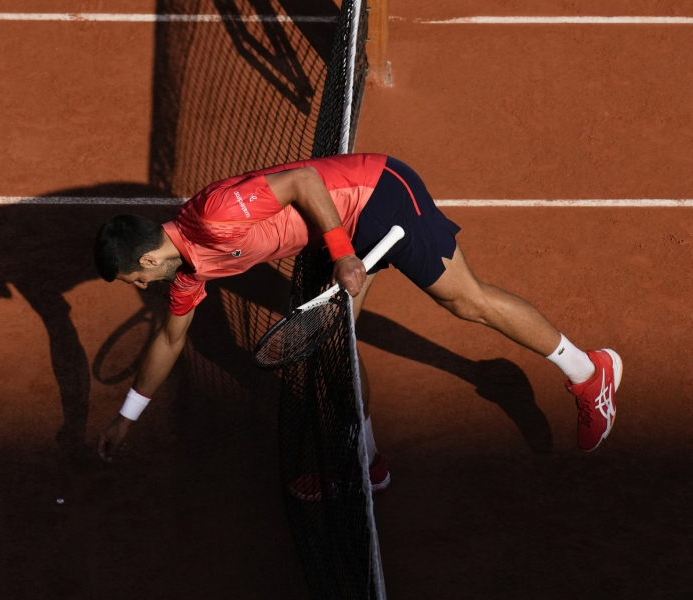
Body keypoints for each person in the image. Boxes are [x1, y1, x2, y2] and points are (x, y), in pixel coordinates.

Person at [93, 154, 622, 488]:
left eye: (137, 282)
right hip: (339, 230)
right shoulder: (186, 275)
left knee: (466, 301)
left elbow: (302, 180)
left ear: (145, 261)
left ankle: (588, 371)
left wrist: (343, 253)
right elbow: (169, 337)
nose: (143, 290)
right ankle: (364, 462)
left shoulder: (214, 214)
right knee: (332, 348)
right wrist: (126, 418)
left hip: (378, 197)